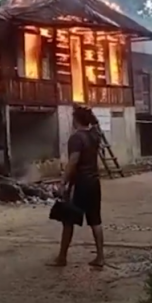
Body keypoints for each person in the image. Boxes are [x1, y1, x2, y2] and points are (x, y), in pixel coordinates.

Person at [48, 105, 105, 268]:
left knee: (68, 220)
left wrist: (63, 182)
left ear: (76, 120)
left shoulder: (76, 138)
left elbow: (73, 161)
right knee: (95, 220)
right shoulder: (94, 135)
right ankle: (100, 257)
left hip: (80, 184)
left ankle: (62, 257)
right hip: (94, 183)